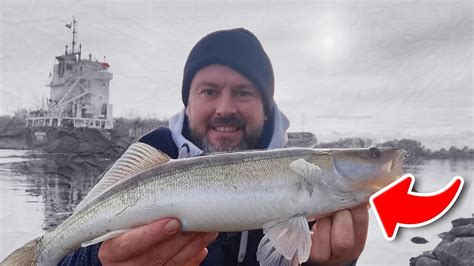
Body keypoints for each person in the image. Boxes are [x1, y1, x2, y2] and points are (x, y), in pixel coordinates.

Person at [60, 28, 369, 266]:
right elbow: (68, 248)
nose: (224, 108)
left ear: (267, 108)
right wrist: (95, 262)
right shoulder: (154, 154)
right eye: (209, 91)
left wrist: (335, 263)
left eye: (243, 92)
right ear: (188, 104)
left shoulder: (307, 174)